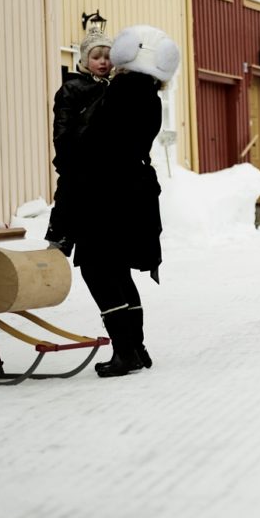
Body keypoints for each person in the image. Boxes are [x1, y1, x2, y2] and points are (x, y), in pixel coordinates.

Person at [71, 25, 179, 377]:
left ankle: (125, 351)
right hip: (133, 191)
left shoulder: (121, 91)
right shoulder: (151, 96)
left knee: (99, 269)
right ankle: (136, 346)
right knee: (116, 270)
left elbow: (95, 142)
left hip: (107, 194)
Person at [45, 29, 114, 256]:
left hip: (104, 163)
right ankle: (59, 241)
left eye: (107, 56)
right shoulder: (72, 88)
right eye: (96, 57)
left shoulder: (115, 88)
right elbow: (62, 127)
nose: (103, 62)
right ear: (84, 60)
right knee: (68, 197)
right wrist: (65, 156)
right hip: (77, 158)